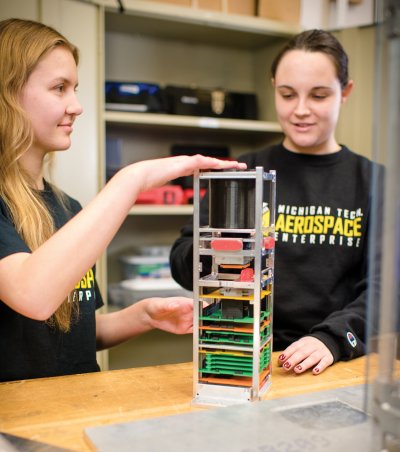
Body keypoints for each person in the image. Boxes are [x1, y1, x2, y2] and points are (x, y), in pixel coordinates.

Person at [0, 18, 246, 382]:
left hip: (76, 409)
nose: (77, 106)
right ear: (9, 93)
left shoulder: (69, 208)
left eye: (75, 88)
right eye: (59, 88)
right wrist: (133, 178)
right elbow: (33, 296)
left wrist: (144, 315)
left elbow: (76, 334)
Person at [170, 29, 377, 375]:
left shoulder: (374, 182)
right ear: (273, 87)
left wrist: (333, 339)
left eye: (319, 95)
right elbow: (181, 258)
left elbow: (387, 289)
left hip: (331, 359)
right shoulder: (241, 172)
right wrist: (217, 253)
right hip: (242, 357)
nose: (301, 110)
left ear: (346, 92)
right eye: (287, 94)